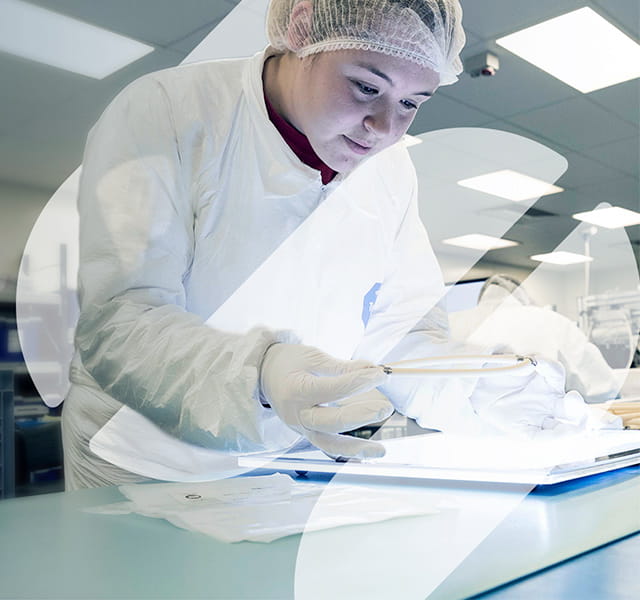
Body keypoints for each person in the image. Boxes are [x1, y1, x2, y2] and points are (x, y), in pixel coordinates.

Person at [62, 0, 586, 489]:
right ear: (302, 27)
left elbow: (399, 333)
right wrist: (260, 376)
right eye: (365, 87)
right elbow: (124, 319)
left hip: (289, 460)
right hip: (141, 459)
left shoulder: (391, 170)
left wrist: (478, 389)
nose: (384, 128)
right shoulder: (169, 112)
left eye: (410, 102)